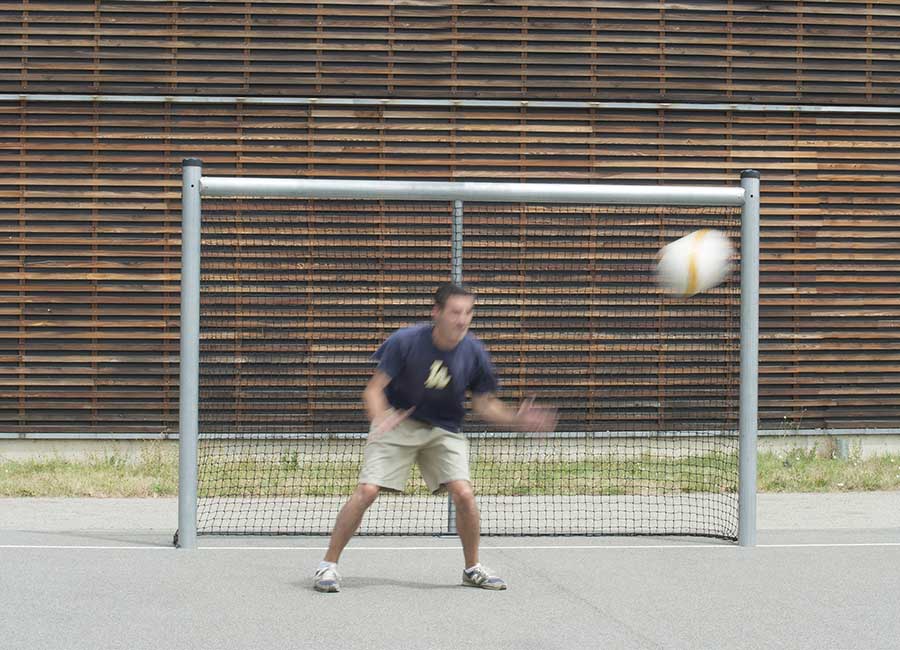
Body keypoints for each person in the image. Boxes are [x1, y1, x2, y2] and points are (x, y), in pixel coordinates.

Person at [313, 283, 557, 593]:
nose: (462, 320)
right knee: (368, 491)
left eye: (469, 312)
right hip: (398, 421)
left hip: (444, 429)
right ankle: (327, 566)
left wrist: (516, 419)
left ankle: (472, 569)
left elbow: (484, 404)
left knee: (464, 494)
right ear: (437, 313)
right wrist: (381, 418)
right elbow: (373, 390)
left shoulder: (474, 351)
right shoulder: (405, 341)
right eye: (455, 312)